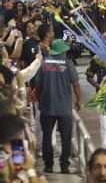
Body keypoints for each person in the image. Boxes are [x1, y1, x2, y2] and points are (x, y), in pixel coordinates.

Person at [30, 38, 81, 174]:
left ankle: (48, 165)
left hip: (47, 107)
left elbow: (38, 85)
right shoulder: (68, 64)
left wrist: (41, 99)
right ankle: (64, 166)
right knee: (66, 138)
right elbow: (76, 84)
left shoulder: (44, 64)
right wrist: (78, 100)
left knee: (47, 136)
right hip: (64, 108)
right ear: (62, 52)